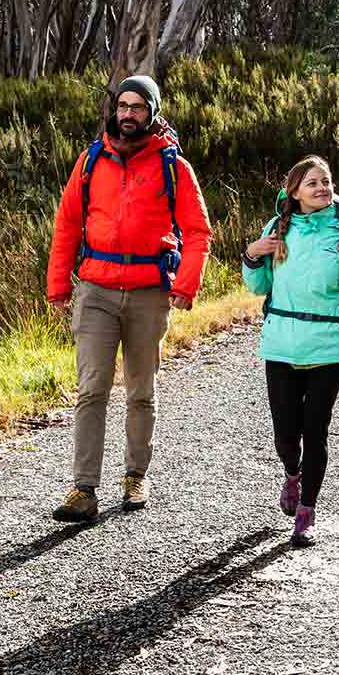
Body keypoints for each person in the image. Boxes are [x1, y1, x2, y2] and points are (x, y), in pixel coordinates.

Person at [45, 75, 212, 523]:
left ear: (152, 113)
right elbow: (66, 226)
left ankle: (136, 475)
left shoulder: (173, 166)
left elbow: (197, 232)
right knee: (91, 389)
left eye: (138, 107)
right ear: (114, 110)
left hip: (148, 293)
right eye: (123, 106)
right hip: (95, 290)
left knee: (141, 390)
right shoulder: (91, 160)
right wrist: (59, 285)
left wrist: (185, 285)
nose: (128, 114)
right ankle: (83, 489)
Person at [241, 156, 339, 546]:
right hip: (281, 345)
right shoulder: (276, 229)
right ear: (294, 192)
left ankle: (306, 512)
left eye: (327, 181)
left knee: (315, 430)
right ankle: (291, 473)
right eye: (313, 183)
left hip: (329, 347)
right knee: (286, 433)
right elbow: (257, 286)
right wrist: (252, 256)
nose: (322, 188)